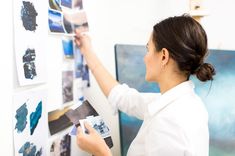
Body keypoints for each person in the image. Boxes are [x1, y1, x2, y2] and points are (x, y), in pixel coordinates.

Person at [74, 14, 215, 156]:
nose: (145, 57)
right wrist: (88, 51)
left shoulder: (169, 123)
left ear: (163, 56)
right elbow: (122, 97)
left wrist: (101, 152)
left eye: (149, 49)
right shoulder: (184, 103)